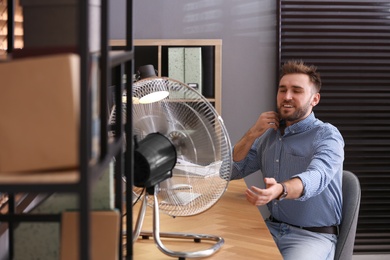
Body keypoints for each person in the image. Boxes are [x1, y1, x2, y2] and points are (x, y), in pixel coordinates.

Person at [231, 60, 344, 260]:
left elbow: (317, 176)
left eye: (297, 91)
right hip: (270, 227)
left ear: (314, 99)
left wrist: (281, 189)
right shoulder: (269, 135)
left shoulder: (327, 135)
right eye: (282, 90)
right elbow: (231, 172)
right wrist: (252, 134)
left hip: (311, 236)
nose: (287, 97)